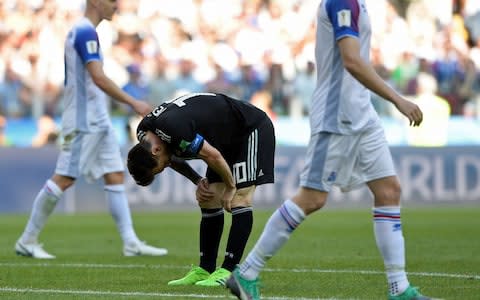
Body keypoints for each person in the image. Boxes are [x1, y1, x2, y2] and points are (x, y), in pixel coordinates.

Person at [226, 1, 431, 300]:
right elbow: (351, 60)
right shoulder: (342, 2)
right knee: (312, 198)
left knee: (388, 190)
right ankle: (247, 273)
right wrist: (397, 99)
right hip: (337, 116)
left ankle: (399, 289)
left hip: (362, 114)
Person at [15, 0, 167, 259]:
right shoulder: (85, 32)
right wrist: (133, 102)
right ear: (96, 2)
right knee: (65, 177)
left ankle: (130, 242)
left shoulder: (87, 32)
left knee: (115, 175)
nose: (115, 7)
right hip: (83, 120)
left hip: (99, 118)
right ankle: (27, 240)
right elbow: (97, 76)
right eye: (111, 2)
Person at [127, 92, 275, 287]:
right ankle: (206, 269)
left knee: (239, 198)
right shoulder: (145, 134)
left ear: (155, 151)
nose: (163, 168)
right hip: (224, 140)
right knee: (209, 198)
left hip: (248, 128)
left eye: (159, 168)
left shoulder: (172, 129)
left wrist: (231, 186)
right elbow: (171, 157)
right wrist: (197, 180)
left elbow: (212, 155)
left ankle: (230, 271)